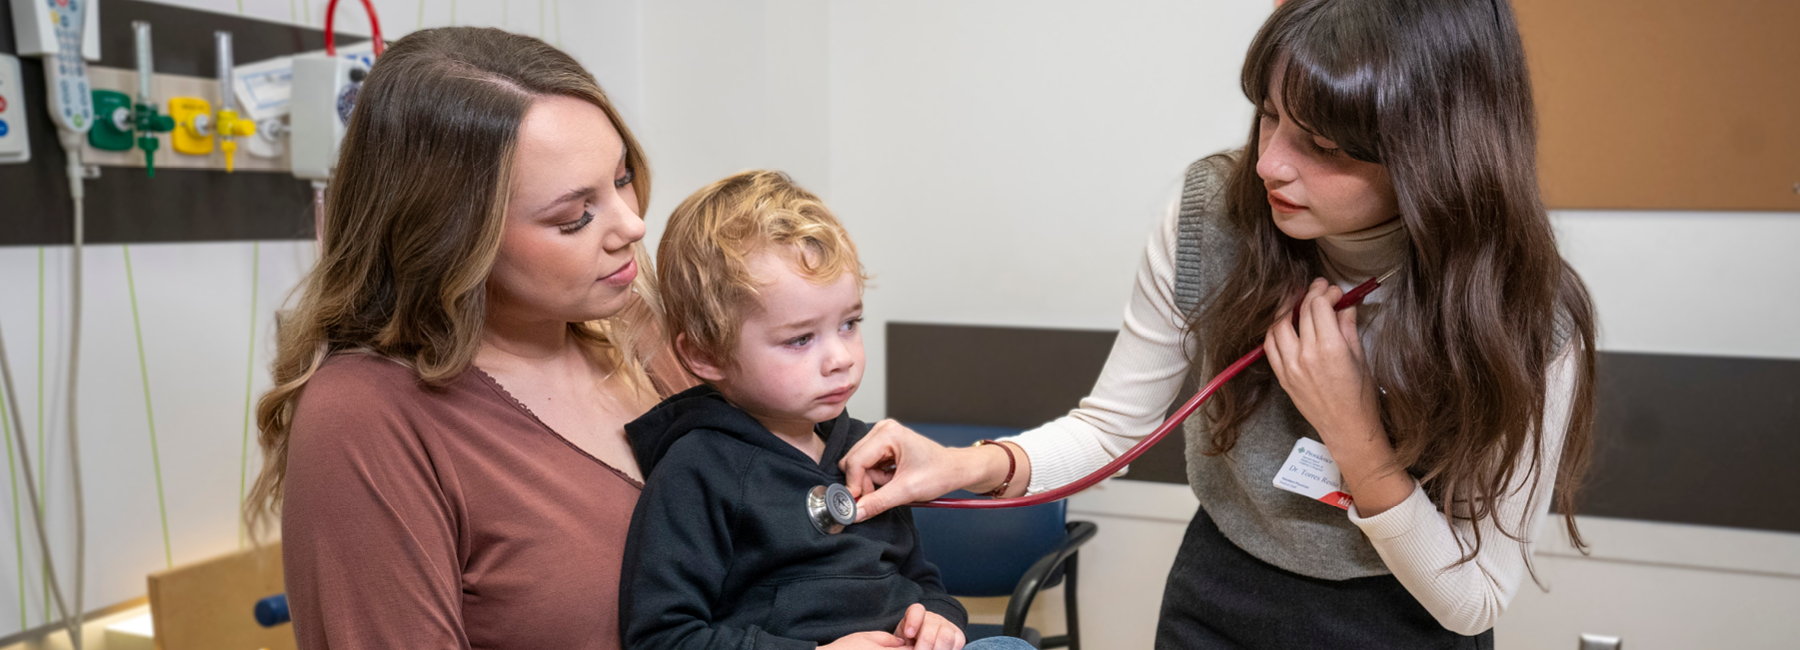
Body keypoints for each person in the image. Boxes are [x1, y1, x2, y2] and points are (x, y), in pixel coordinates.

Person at [840, 0, 1598, 647]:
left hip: (1407, 619)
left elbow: (1473, 598)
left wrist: (1357, 440)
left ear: (1436, 154)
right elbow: (1112, 431)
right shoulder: (1212, 214)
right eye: (1269, 115)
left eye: (1322, 146)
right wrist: (963, 465)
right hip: (1220, 597)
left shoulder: (1528, 314)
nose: (1269, 163)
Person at [242, 27, 691, 649]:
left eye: (620, 178)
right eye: (573, 216)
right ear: (451, 238)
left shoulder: (638, 334)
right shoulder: (367, 418)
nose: (632, 224)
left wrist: (855, 475)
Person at [620, 171, 1026, 650]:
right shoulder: (697, 470)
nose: (841, 358)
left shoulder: (866, 449)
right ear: (706, 355)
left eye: (849, 323)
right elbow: (662, 637)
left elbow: (923, 582)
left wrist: (938, 619)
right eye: (800, 339)